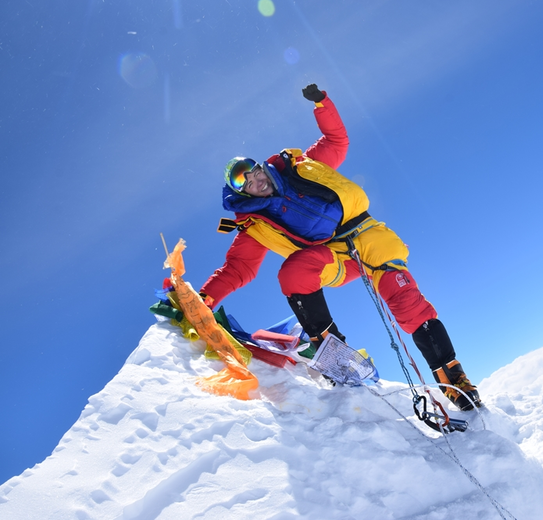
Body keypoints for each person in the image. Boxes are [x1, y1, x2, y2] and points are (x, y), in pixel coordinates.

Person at [199, 84, 481, 411]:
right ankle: (336, 358)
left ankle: (452, 379)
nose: (254, 181)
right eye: (244, 183)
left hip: (365, 234)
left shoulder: (300, 165)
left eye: (253, 172)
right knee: (293, 272)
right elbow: (237, 269)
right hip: (334, 256)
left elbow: (336, 141)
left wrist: (322, 103)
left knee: (404, 300)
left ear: (261, 166)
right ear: (243, 193)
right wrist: (203, 301)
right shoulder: (255, 224)